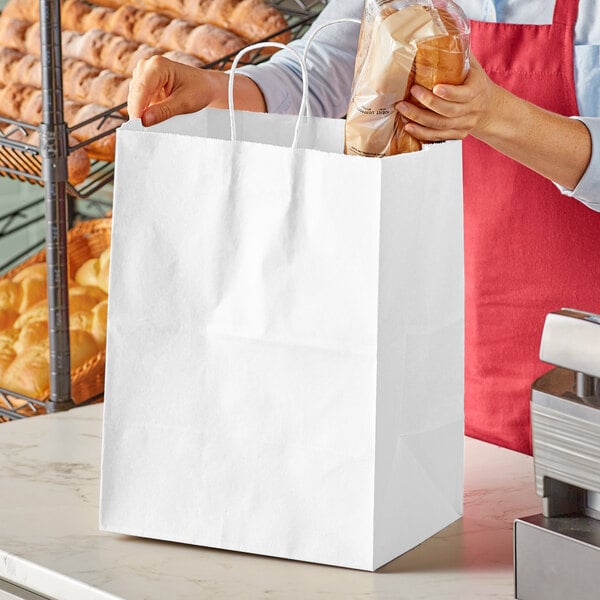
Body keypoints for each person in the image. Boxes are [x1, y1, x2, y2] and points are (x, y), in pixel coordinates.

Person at [128, 0, 600, 454]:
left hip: (581, 368)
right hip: (435, 353)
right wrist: (216, 91)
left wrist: (495, 113)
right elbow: (320, 73)